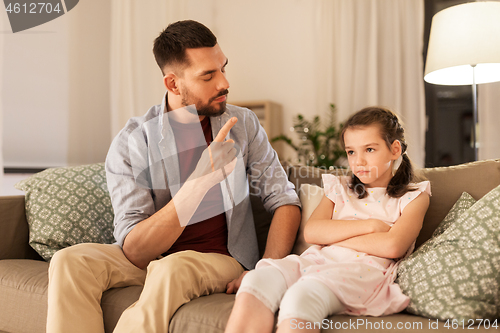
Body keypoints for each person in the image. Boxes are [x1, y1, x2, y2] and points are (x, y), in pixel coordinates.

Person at [46, 20, 301, 333]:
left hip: (221, 258)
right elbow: (136, 250)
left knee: (171, 268)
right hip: (154, 257)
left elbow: (285, 200)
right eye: (208, 75)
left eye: (222, 68)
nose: (224, 82)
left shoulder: (243, 125)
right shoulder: (133, 141)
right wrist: (200, 181)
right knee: (70, 261)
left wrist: (266, 272)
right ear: (172, 84)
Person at [225, 107, 431, 333]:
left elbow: (393, 245)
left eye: (369, 149)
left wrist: (333, 236)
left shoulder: (414, 196)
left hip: (362, 272)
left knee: (302, 294)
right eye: (351, 152)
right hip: (317, 261)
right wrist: (371, 227)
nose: (358, 161)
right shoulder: (341, 186)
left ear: (395, 149)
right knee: (256, 279)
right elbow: (312, 232)